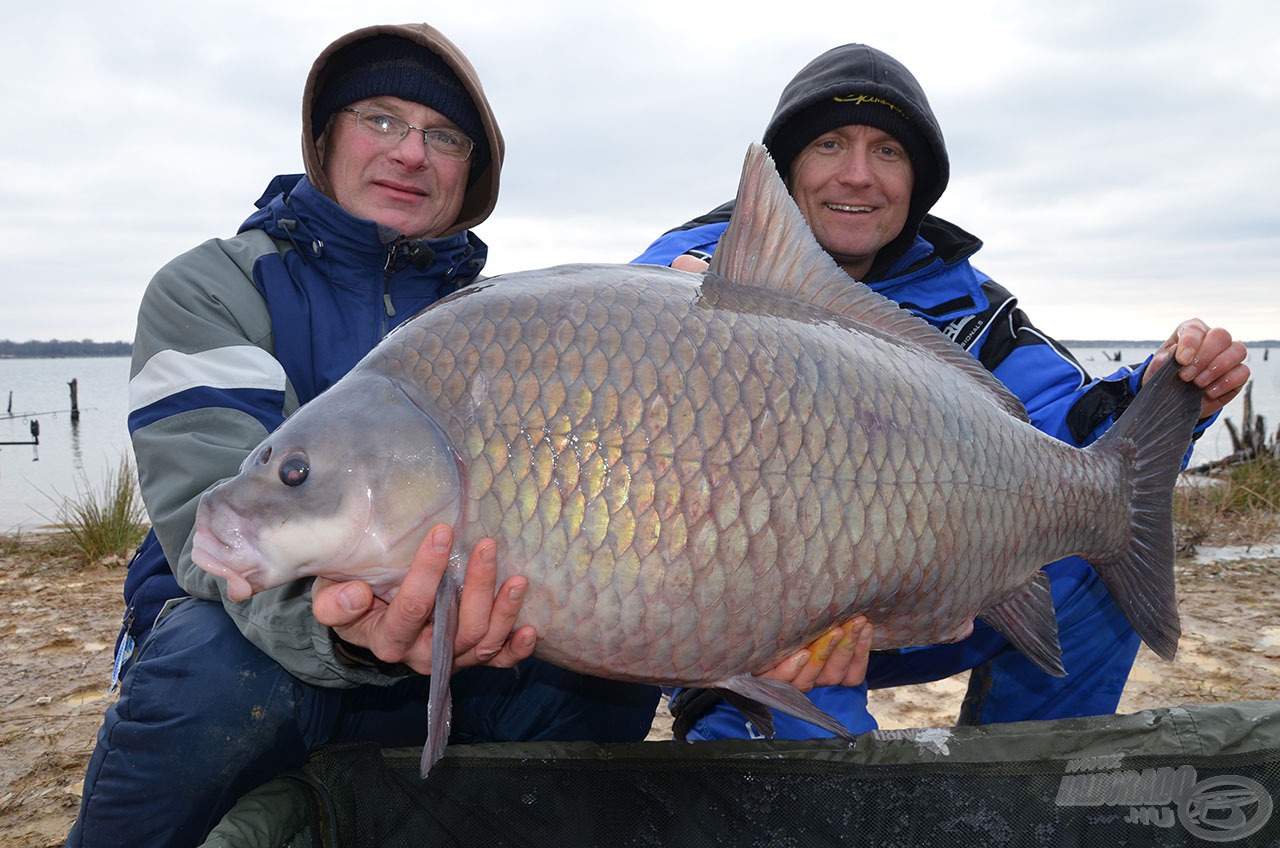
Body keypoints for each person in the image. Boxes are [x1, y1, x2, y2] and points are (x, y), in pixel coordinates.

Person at [69, 24, 871, 847]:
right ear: (325, 138)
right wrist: (356, 639)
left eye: (443, 136)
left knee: (601, 690)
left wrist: (706, 354)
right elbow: (211, 525)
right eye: (380, 119)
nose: (411, 153)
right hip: (252, 648)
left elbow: (628, 510)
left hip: (459, 650)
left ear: (470, 175)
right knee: (207, 668)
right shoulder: (213, 286)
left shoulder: (506, 325)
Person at [633, 43, 1250, 742]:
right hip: (746, 615)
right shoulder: (694, 274)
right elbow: (589, 337)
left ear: (918, 180)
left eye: (889, 151)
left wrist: (1165, 390)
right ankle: (732, 717)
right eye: (829, 144)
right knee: (807, 773)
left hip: (925, 594)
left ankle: (1024, 783)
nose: (858, 176)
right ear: (786, 170)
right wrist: (673, 330)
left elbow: (1061, 429)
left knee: (1091, 575)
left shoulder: (970, 308)